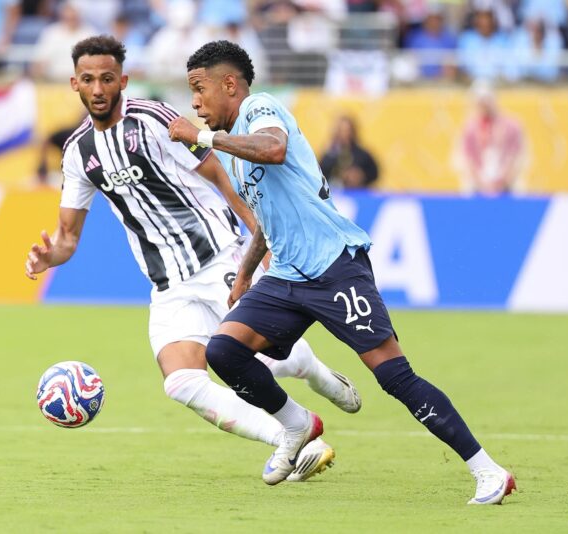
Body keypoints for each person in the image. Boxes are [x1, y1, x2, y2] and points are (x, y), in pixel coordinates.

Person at [168, 40, 515, 503]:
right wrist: (246, 276)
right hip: (287, 276)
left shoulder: (260, 108)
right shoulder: (233, 151)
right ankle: (296, 425)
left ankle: (487, 470)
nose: (195, 101)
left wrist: (202, 137)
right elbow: (269, 223)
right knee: (225, 351)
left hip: (334, 267)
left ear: (230, 84)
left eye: (200, 87)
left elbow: (273, 149)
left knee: (394, 377)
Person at [24, 35, 362, 482]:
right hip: (167, 284)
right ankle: (296, 437)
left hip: (219, 256)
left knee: (269, 360)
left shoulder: (153, 119)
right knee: (181, 383)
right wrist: (52, 256)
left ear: (122, 80)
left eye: (107, 78)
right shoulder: (77, 153)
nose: (99, 88)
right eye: (88, 79)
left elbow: (220, 173)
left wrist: (260, 239)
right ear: (74, 84)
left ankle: (315, 372)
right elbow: (68, 236)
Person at [454, 80, 526, 195]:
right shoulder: (470, 128)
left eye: (486, 101)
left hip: (507, 186)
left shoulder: (511, 126)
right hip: (477, 186)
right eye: (480, 102)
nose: (484, 105)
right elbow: (465, 159)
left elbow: (517, 155)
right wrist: (480, 182)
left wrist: (504, 179)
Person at [319, 115, 379, 189]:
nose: (345, 134)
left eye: (347, 130)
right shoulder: (330, 154)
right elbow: (321, 172)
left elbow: (374, 173)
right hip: (336, 195)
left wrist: (361, 176)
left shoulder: (362, 154)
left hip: (357, 194)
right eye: (341, 130)